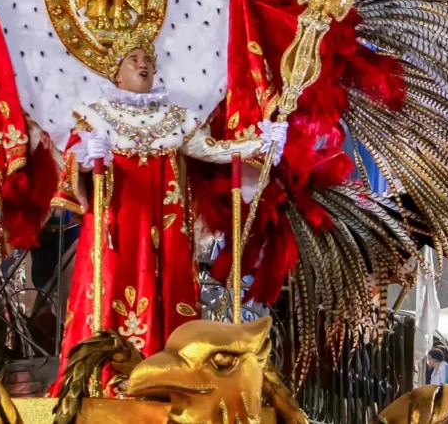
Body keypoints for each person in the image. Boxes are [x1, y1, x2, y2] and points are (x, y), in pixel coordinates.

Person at [50, 33, 287, 389]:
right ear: (116, 73)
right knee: (107, 291)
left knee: (170, 290)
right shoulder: (93, 117)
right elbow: (72, 173)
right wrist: (86, 156)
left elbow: (214, 150)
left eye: (147, 58)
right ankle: (101, 380)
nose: (142, 63)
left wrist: (262, 143)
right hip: (116, 229)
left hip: (165, 230)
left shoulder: (174, 118)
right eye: (133, 58)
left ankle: (167, 380)